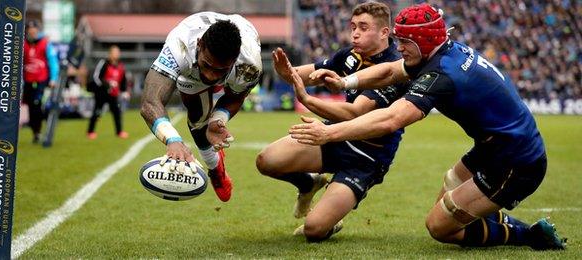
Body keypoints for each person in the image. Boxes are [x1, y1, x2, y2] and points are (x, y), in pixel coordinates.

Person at [283, 3, 567, 250]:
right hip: (495, 146)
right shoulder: (441, 53)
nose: (399, 47)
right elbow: (390, 71)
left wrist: (328, 133)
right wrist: (346, 82)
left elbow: (391, 118)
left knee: (440, 226)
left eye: (404, 41)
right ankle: (490, 213)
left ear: (422, 42)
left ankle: (529, 235)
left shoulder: (442, 74)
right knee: (450, 195)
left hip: (516, 161)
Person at [257, 2, 406, 242]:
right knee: (267, 161)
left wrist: (307, 99)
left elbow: (356, 114)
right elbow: (299, 74)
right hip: (335, 136)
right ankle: (308, 183)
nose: (355, 33)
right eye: (353, 26)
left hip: (368, 156)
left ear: (384, 32)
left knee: (314, 230)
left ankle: (332, 213)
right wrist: (284, 70)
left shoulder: (396, 68)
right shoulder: (349, 56)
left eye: (363, 27)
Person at [140, 12, 262, 202]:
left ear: (235, 58)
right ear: (199, 44)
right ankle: (217, 168)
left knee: (210, 123)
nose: (211, 76)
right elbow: (150, 102)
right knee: (197, 120)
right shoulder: (179, 47)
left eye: (220, 70)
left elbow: (236, 96)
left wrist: (219, 119)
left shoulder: (249, 63)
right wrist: (173, 140)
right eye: (208, 65)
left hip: (244, 33)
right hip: (191, 66)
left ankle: (215, 172)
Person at [23, 20, 59, 143]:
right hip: (28, 80)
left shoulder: (45, 44)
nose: (32, 33)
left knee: (38, 104)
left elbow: (53, 62)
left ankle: (40, 130)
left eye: (34, 30)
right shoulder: (23, 44)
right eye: (30, 30)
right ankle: (35, 132)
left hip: (41, 80)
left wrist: (53, 78)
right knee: (31, 106)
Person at [87, 45, 129, 139]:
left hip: (113, 94)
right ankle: (90, 131)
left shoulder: (120, 66)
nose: (117, 54)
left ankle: (119, 132)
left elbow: (123, 80)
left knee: (117, 113)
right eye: (115, 52)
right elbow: (96, 77)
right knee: (97, 112)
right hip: (101, 93)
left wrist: (124, 91)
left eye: (118, 52)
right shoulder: (104, 63)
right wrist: (108, 83)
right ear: (110, 54)